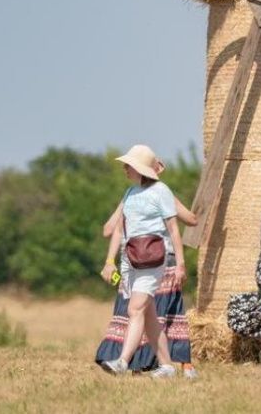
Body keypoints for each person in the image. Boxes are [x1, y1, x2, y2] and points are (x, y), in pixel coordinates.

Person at [97, 144, 185, 378]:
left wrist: (180, 265)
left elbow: (174, 229)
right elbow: (117, 230)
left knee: (135, 309)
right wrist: (110, 261)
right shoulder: (129, 194)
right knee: (148, 315)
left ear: (140, 169)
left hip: (152, 259)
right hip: (131, 260)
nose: (125, 168)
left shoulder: (161, 191)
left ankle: (123, 362)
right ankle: (166, 366)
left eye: (129, 165)